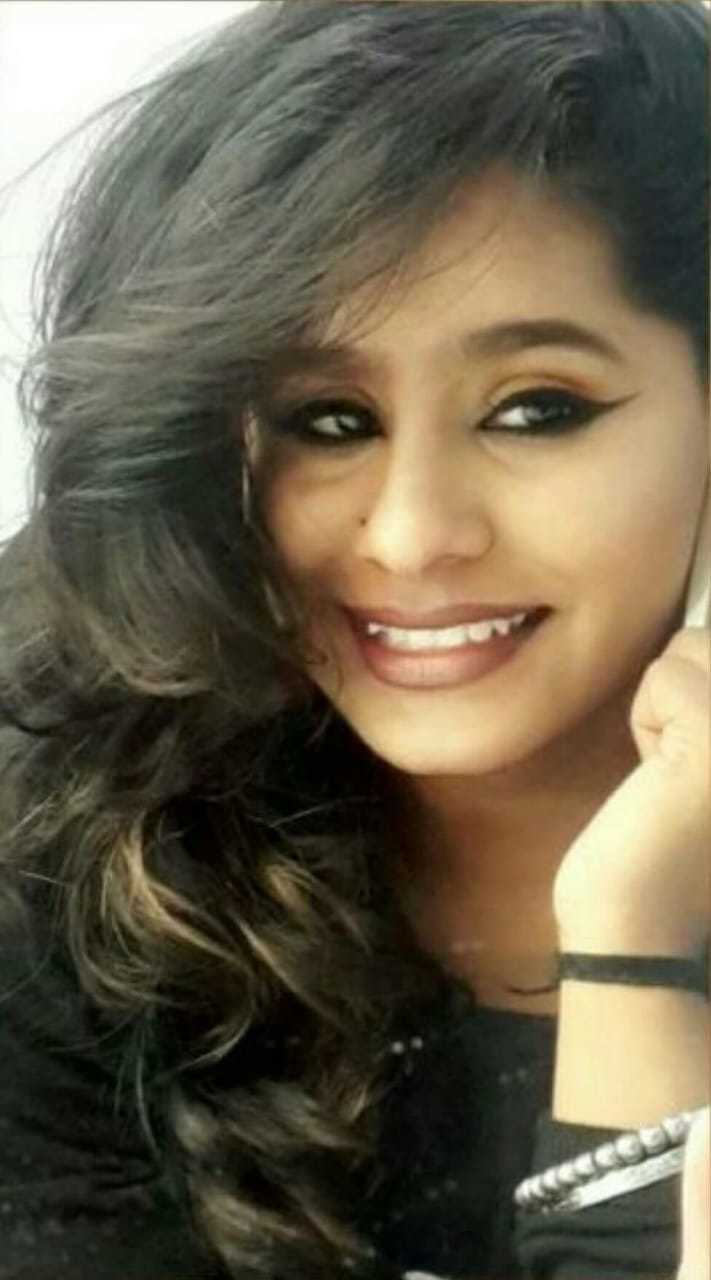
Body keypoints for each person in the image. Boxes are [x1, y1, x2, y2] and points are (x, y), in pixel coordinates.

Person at [0, 2, 708, 1278]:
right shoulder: (72, 817)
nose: (413, 533)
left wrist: (633, 946)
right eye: (327, 420)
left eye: (536, 409)